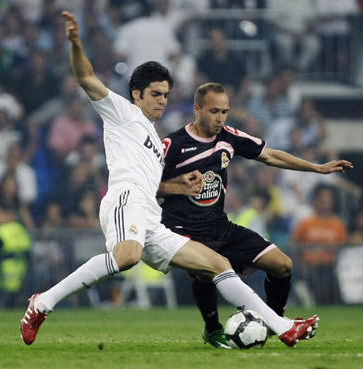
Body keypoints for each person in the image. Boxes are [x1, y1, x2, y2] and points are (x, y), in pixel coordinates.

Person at [19, 11, 319, 348]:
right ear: (136, 94)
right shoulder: (123, 112)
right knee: (127, 256)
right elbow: (86, 78)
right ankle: (42, 303)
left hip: (150, 216)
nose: (162, 100)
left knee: (216, 264)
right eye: (155, 94)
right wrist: (76, 43)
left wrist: (179, 184)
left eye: (165, 94)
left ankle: (281, 326)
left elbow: (158, 184)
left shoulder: (154, 138)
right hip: (125, 199)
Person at [159, 82, 353, 348]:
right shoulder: (173, 144)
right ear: (197, 109)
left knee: (282, 265)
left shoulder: (228, 137)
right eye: (214, 111)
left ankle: (274, 322)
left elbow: (270, 155)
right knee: (207, 272)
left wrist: (317, 168)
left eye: (225, 111)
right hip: (183, 229)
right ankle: (213, 329)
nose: (220, 118)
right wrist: (179, 184)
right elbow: (149, 185)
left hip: (219, 226)